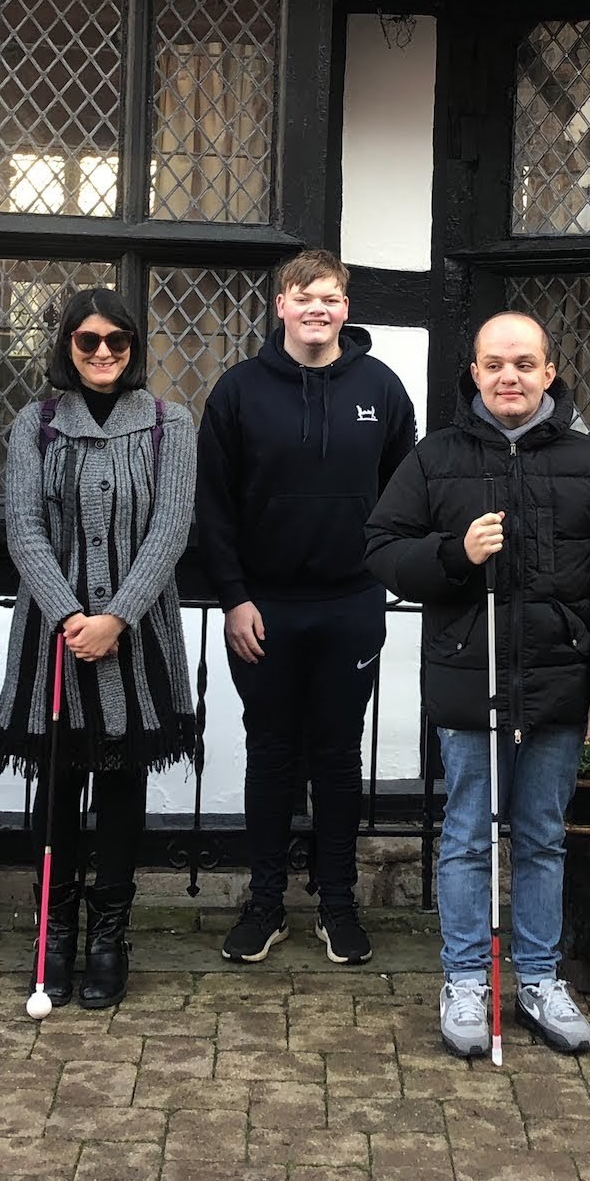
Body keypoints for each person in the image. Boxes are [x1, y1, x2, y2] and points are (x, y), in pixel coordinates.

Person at [365, 310, 590, 1058]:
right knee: (464, 837)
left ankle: (539, 978)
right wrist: (454, 554)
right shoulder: (436, 459)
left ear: (549, 372)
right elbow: (385, 551)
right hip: (471, 681)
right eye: (494, 364)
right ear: (476, 373)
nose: (509, 378)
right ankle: (465, 977)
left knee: (543, 839)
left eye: (524, 364)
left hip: (559, 684)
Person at [198, 250, 416, 967]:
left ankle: (338, 904)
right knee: (270, 754)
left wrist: (380, 582)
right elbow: (216, 508)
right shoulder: (237, 392)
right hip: (263, 609)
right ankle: (265, 904)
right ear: (281, 305)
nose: (318, 309)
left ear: (346, 308)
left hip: (349, 604)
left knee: (337, 757)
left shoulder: (382, 390)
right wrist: (233, 598)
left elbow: (398, 500)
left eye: (331, 298)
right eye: (304, 296)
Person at [0, 286, 199, 1011]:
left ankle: (110, 936)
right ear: (67, 347)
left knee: (120, 786)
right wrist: (73, 612)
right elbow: (23, 529)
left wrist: (116, 617)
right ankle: (55, 934)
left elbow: (171, 528)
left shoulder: (173, 425)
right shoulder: (35, 425)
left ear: (134, 348)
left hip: (138, 641)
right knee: (56, 782)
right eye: (88, 341)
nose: (104, 352)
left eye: (118, 341)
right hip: (55, 636)